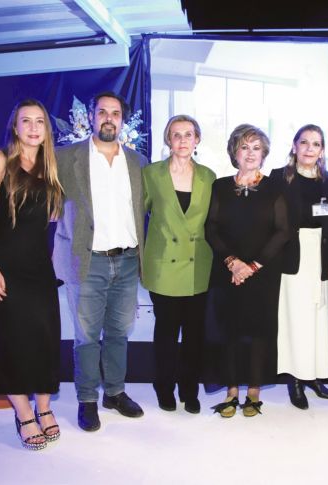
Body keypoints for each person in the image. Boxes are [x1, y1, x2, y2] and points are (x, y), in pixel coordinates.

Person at [53, 91, 148, 432]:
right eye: (103, 111)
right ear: (92, 116)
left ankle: (115, 392)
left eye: (116, 113)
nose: (109, 118)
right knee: (87, 337)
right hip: (86, 261)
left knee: (120, 333)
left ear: (122, 119)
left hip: (126, 261)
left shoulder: (137, 162)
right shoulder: (66, 157)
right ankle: (87, 399)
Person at [0, 98, 64, 450]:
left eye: (39, 121)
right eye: (25, 121)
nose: (32, 128)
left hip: (39, 270)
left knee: (43, 338)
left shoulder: (50, 168)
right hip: (6, 267)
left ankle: (44, 408)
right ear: (15, 127)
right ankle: (24, 412)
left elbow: (50, 225)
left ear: (46, 129)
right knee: (12, 341)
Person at [205, 124, 290, 418]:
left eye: (256, 147)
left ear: (264, 153)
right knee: (228, 329)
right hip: (227, 272)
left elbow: (282, 231)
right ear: (234, 153)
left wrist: (252, 266)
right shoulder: (219, 186)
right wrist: (232, 262)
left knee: (258, 331)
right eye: (244, 147)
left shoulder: (275, 188)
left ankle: (253, 390)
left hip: (263, 273)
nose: (250, 153)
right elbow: (211, 228)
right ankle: (231, 390)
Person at [142, 115, 216, 414]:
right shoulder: (151, 174)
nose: (183, 140)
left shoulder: (209, 176)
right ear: (167, 140)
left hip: (199, 265)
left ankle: (190, 389)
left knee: (195, 336)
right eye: (176, 135)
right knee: (166, 334)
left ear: (197, 139)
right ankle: (163, 386)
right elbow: (138, 216)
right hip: (164, 268)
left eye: (188, 134)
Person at [271, 124, 328, 410]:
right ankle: (296, 380)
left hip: (324, 257)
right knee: (295, 319)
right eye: (304, 143)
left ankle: (315, 376)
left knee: (320, 317)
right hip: (292, 257)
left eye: (316, 144)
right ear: (294, 146)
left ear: (322, 150)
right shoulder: (279, 179)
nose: (309, 149)